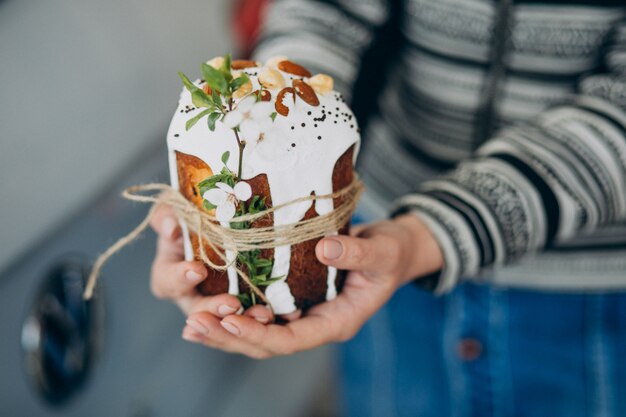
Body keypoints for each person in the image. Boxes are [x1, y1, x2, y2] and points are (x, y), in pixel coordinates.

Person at [150, 0, 626, 415]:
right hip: (381, 261)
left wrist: (432, 235)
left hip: (585, 294)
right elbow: (326, 11)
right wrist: (270, 131)